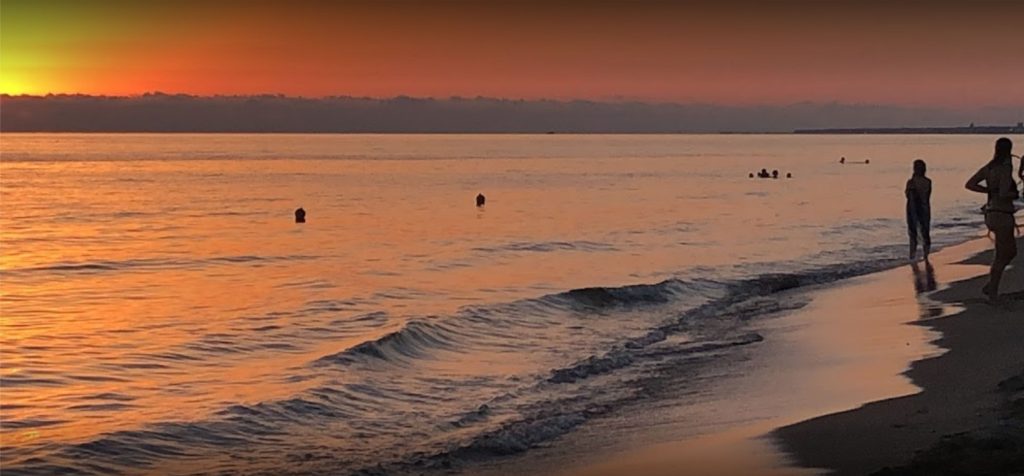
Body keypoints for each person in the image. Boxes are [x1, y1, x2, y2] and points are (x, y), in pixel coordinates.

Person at [965, 137, 1019, 300]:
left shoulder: (989, 167)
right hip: (1002, 213)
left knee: (1005, 252)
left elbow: (970, 184)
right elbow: (1003, 193)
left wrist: (988, 191)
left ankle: (991, 286)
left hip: (991, 213)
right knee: (1005, 254)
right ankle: (992, 289)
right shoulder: (1005, 168)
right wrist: (1014, 194)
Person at [905, 159, 932, 261]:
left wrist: (913, 212)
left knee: (913, 233)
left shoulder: (911, 182)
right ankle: (926, 256)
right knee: (925, 232)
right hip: (925, 208)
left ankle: (912, 256)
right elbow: (927, 195)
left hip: (912, 209)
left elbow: (910, 197)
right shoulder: (928, 182)